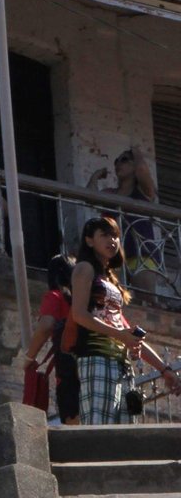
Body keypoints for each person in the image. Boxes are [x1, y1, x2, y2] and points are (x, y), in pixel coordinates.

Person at [67, 216, 180, 424]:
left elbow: (125, 329)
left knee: (123, 431)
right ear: (89, 240)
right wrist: (120, 335)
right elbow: (79, 314)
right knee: (99, 428)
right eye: (105, 235)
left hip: (120, 363)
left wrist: (164, 369)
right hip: (96, 357)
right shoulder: (84, 268)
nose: (112, 241)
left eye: (116, 236)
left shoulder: (110, 279)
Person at [89, 146, 164, 299]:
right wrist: (95, 176)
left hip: (140, 253)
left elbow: (143, 172)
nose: (118, 164)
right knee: (113, 303)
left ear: (134, 164)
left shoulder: (143, 191)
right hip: (112, 255)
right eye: (116, 161)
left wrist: (136, 151)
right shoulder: (110, 193)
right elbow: (89, 198)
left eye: (124, 160)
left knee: (147, 301)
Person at [23, 253, 80, 424]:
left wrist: (29, 357)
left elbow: (46, 326)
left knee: (75, 426)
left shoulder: (55, 296)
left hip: (68, 368)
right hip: (90, 364)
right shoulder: (82, 301)